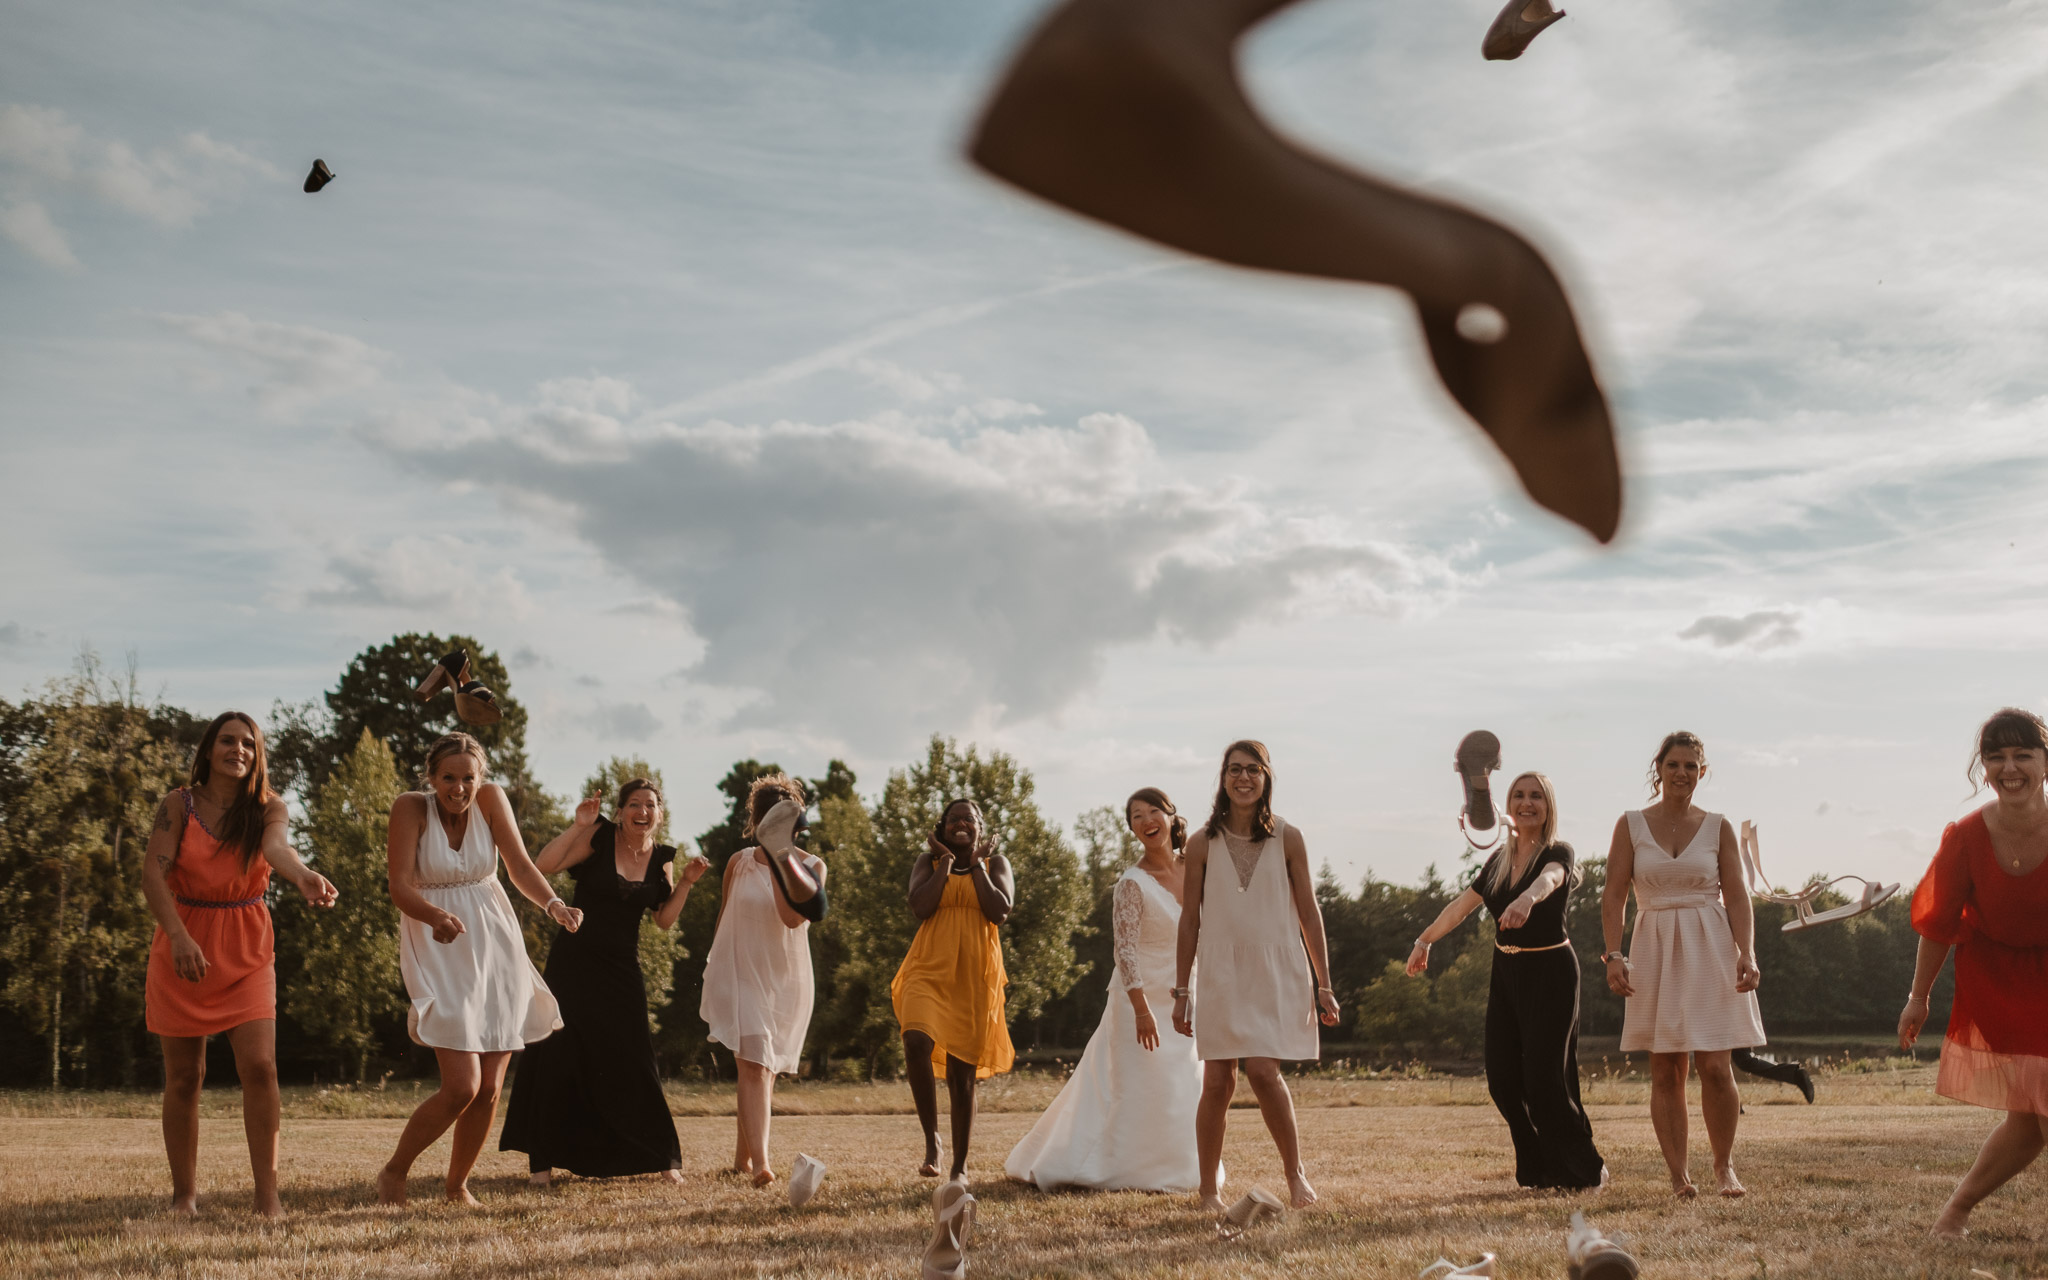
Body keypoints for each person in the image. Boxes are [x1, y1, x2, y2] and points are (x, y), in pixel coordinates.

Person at [141, 711, 338, 1218]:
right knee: (185, 1076)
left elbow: (277, 849)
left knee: (261, 1066)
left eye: (248, 743)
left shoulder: (268, 807)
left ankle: (267, 1196)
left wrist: (302, 876)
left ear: (257, 754)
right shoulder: (177, 805)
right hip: (185, 942)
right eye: (227, 741)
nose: (238, 750)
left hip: (247, 944)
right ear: (208, 750)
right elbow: (153, 875)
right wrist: (180, 937)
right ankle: (184, 1197)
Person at [377, 733, 574, 1206]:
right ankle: (394, 1172)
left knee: (488, 1088)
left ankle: (456, 1185)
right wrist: (434, 917)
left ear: (480, 777)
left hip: (494, 938)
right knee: (461, 1085)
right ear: (431, 776)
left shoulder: (490, 800)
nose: (459, 787)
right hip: (438, 938)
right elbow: (399, 885)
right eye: (449, 777)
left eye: (468, 777)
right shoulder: (410, 807)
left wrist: (552, 904)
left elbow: (520, 866)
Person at [499, 778, 708, 1186]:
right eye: (633, 804)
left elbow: (663, 920)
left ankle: (664, 1160)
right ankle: (542, 1165)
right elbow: (543, 864)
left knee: (634, 1054)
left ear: (658, 813)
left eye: (649, 805)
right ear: (621, 809)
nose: (641, 812)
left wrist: (685, 883)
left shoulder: (662, 857)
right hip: (573, 962)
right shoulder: (598, 836)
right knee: (558, 1050)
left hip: (622, 968)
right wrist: (579, 825)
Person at [1408, 771, 1606, 1190]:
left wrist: (1526, 899)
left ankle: (1585, 1168)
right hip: (1507, 973)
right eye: (1519, 795)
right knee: (1502, 1080)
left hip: (1550, 972)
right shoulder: (1498, 861)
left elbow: (1551, 879)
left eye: (1536, 796)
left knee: (1546, 1079)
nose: (1526, 802)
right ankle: (1539, 1167)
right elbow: (1461, 906)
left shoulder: (1559, 851)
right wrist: (1425, 940)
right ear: (1507, 805)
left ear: (1548, 806)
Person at [1006, 787, 1211, 1192]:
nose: (1146, 820)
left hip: (1186, 993)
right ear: (1132, 829)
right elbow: (1125, 950)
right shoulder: (1131, 883)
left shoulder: (1197, 868)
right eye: (1136, 815)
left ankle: (1183, 1170)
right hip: (1140, 997)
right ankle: (1116, 1168)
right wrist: (1140, 1009)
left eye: (1154, 811)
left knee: (1185, 1079)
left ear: (1171, 817)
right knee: (1141, 1084)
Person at [1172, 740, 1340, 1211]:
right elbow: (1190, 919)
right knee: (1218, 1081)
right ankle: (1208, 1191)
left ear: (1266, 778)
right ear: (1222, 778)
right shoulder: (1202, 842)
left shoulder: (1289, 837)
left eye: (1253, 770)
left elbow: (1309, 911)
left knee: (1265, 1072)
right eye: (1234, 770)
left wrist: (1323, 983)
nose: (1243, 778)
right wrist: (1182, 989)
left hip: (1275, 968)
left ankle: (1296, 1176)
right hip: (1221, 971)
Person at [1899, 707, 2048, 1238]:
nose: (2009, 768)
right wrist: (1919, 998)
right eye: (1996, 756)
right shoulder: (1965, 836)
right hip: (1998, 979)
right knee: (2035, 1113)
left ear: (2045, 762)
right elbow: (1937, 925)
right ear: (1983, 766)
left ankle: (1955, 1212)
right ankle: (1956, 1211)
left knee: (2032, 1120)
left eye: (2023, 755)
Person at [1601, 730, 1765, 1199]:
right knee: (1666, 1069)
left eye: (1691, 766)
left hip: (1711, 944)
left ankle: (1723, 1167)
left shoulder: (1718, 826)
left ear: (1702, 773)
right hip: (1653, 945)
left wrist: (1746, 953)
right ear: (1659, 769)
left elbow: (1737, 894)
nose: (1682, 773)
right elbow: (1614, 894)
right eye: (1674, 764)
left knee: (1716, 1065)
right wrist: (1614, 954)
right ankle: (1678, 1176)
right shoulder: (1630, 824)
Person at [700, 774, 827, 1189]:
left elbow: (792, 918)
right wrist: (713, 969)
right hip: (739, 973)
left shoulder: (811, 866)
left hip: (783, 979)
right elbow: (725, 918)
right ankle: (761, 1166)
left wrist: (778, 857)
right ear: (755, 821)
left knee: (761, 1071)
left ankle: (740, 1159)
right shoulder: (737, 863)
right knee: (753, 1064)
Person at [893, 797, 1015, 1181]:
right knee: (915, 1040)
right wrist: (945, 861)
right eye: (953, 820)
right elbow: (921, 906)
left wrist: (976, 863)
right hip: (928, 968)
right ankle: (932, 1141)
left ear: (980, 827)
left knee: (962, 1075)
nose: (961, 824)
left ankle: (959, 1167)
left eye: (969, 819)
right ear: (942, 828)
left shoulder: (997, 865)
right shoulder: (926, 863)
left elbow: (998, 910)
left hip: (974, 975)